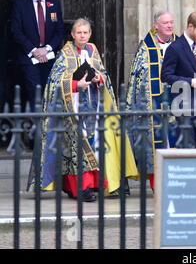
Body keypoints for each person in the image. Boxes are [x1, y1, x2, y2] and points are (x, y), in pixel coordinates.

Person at [27, 18, 139, 201]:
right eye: (79, 32)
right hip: (74, 107)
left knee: (96, 145)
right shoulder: (65, 53)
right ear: (72, 35)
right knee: (77, 147)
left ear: (90, 34)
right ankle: (81, 188)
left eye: (85, 32)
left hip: (94, 106)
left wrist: (98, 79)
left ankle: (96, 184)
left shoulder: (93, 50)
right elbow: (55, 82)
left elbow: (103, 73)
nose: (82, 35)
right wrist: (75, 84)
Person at [126, 10, 178, 191]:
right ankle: (158, 184)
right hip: (153, 106)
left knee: (177, 140)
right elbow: (137, 80)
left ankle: (177, 180)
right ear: (156, 25)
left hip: (177, 104)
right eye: (166, 23)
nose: (170, 26)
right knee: (155, 142)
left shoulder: (180, 44)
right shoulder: (145, 49)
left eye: (172, 22)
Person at [10, 0, 65, 110]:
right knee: (35, 94)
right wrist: (34, 51)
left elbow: (60, 32)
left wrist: (46, 49)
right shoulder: (20, 4)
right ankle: (37, 129)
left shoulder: (54, 4)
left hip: (49, 57)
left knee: (51, 93)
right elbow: (15, 31)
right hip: (28, 57)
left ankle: (49, 129)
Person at [161, 11, 196, 148]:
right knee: (187, 144)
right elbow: (165, 76)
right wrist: (190, 82)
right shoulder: (175, 48)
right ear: (190, 26)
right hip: (183, 104)